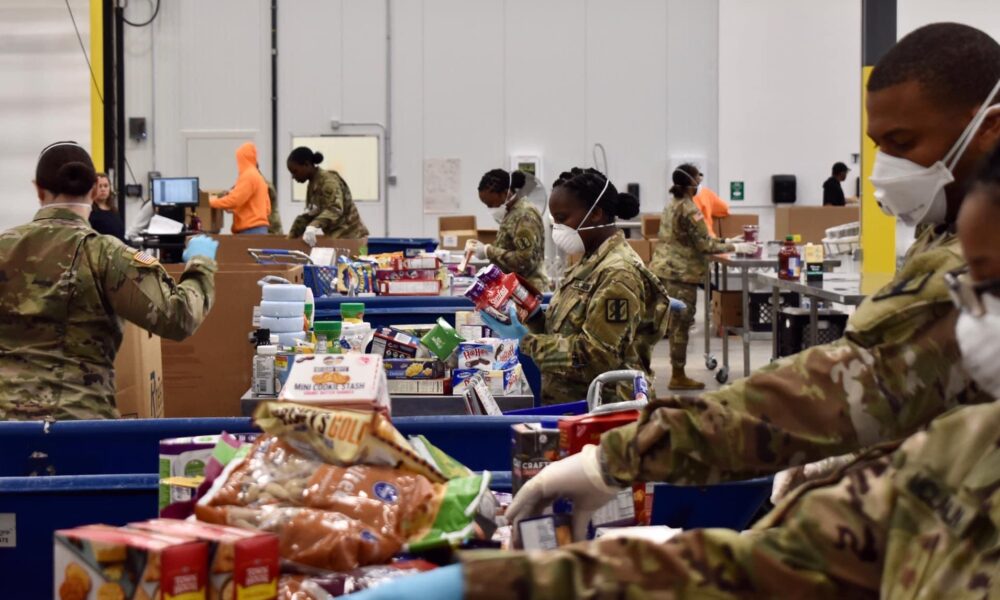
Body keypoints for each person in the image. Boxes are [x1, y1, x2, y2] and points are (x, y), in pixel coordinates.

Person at [348, 94, 1000, 600]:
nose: (967, 325)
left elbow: (834, 390)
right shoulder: (957, 458)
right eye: (976, 295)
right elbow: (752, 570)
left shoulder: (625, 267)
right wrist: (493, 584)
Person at [498, 21, 1000, 546]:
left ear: (987, 127)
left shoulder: (965, 256)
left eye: (903, 142)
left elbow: (844, 385)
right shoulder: (942, 230)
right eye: (878, 146)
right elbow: (875, 379)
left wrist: (619, 458)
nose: (885, 168)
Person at [0, 141, 218, 421]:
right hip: (79, 428)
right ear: (94, 190)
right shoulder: (106, 255)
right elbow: (178, 317)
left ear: (39, 190)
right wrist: (201, 264)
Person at [481, 168, 673, 406]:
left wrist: (526, 342)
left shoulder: (618, 274)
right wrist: (534, 317)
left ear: (596, 214)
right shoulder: (589, 261)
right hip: (573, 401)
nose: (557, 229)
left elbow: (596, 356)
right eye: (555, 221)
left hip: (603, 409)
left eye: (562, 219)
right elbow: (569, 329)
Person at [650, 164, 755, 390]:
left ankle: (669, 371)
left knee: (668, 324)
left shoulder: (672, 205)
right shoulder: (690, 209)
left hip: (664, 270)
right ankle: (677, 375)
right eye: (698, 178)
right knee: (681, 325)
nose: (700, 183)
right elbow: (704, 245)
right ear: (691, 183)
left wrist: (730, 242)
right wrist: (737, 248)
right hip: (682, 274)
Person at [470, 168, 549, 291]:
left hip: (528, 290)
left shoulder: (524, 215)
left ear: (505, 193)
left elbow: (524, 261)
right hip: (514, 287)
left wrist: (488, 250)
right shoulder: (512, 213)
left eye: (491, 204)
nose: (491, 209)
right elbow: (508, 248)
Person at [286, 146, 369, 245]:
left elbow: (335, 208)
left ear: (306, 164)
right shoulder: (313, 183)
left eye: (295, 171)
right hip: (338, 237)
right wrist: (291, 237)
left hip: (352, 237)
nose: (293, 177)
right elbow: (314, 212)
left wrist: (313, 226)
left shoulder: (328, 181)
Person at [209, 142, 271, 235]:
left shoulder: (248, 176)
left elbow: (234, 200)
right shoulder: (258, 177)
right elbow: (267, 208)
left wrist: (210, 202)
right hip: (260, 229)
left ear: (242, 158)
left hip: (250, 230)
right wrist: (237, 209)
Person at [88, 172, 124, 241]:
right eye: (100, 186)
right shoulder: (90, 211)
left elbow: (121, 236)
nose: (103, 189)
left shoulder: (114, 211)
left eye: (106, 186)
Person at [691, 171, 730, 236]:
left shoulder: (680, 199)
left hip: (695, 238)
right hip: (706, 237)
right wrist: (707, 211)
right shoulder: (707, 193)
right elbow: (724, 208)